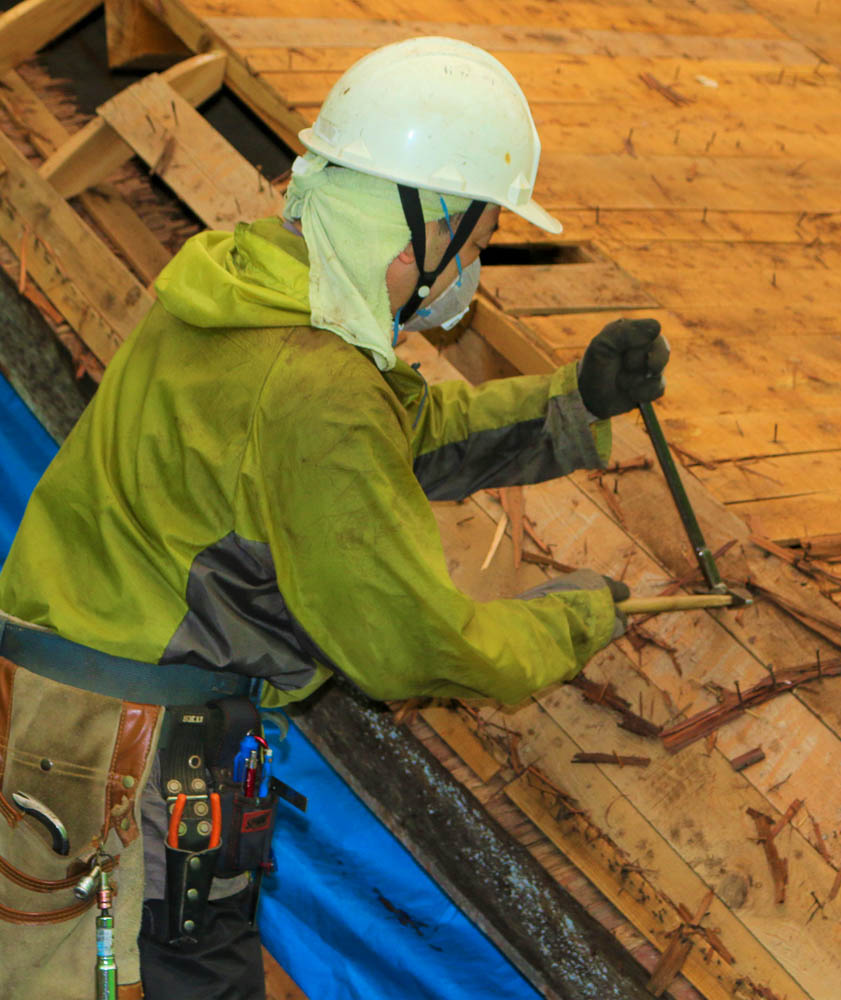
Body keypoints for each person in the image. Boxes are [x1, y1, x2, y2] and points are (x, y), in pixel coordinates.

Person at [0, 36, 668, 1000]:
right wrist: (572, 619)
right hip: (142, 773)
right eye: (475, 245)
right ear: (419, 230)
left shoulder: (234, 288)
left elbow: (393, 440)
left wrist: (573, 404)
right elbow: (410, 641)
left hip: (49, 723)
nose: (471, 273)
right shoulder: (319, 388)